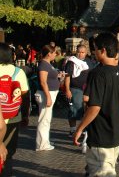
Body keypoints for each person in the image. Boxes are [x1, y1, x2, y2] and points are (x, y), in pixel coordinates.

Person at [73, 32, 119, 176]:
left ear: (103, 51)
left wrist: (80, 128)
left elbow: (94, 107)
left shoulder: (97, 73)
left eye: (95, 48)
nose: (93, 52)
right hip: (116, 133)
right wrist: (117, 121)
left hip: (101, 135)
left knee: (102, 172)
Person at [0, 43, 30, 176]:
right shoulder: (18, 72)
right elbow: (25, 95)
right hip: (13, 116)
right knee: (8, 152)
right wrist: (25, 115)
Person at [35, 44, 64, 151]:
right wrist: (48, 97)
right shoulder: (43, 64)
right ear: (49, 54)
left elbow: (49, 77)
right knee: (44, 119)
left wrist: (58, 76)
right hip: (46, 94)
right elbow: (43, 82)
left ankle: (45, 141)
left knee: (47, 119)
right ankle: (42, 144)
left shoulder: (48, 64)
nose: (55, 54)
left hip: (50, 93)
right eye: (53, 53)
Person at [64, 44, 91, 137]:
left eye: (82, 52)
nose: (80, 54)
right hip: (75, 89)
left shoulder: (88, 62)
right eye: (78, 52)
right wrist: (67, 90)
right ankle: (72, 130)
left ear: (86, 53)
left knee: (86, 110)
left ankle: (83, 129)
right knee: (74, 110)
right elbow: (67, 76)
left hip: (86, 89)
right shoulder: (71, 62)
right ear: (76, 52)